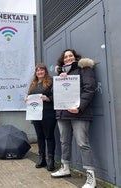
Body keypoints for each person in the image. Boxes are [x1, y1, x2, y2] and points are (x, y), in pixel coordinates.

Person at [51, 49, 96, 188]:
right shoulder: (60, 73)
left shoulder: (84, 69)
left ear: (75, 57)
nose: (68, 58)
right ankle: (65, 168)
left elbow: (89, 89)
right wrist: (60, 79)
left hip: (79, 113)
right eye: (66, 57)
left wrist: (79, 107)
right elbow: (55, 94)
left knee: (82, 143)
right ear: (62, 60)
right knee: (64, 141)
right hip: (63, 113)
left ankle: (91, 177)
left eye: (70, 55)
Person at [26, 64, 56, 171]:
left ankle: (51, 160)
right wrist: (27, 99)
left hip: (48, 113)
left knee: (49, 136)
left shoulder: (51, 82)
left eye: (41, 70)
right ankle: (42, 158)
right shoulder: (33, 84)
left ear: (45, 71)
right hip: (35, 114)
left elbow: (57, 95)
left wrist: (48, 98)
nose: (39, 72)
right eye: (37, 70)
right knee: (40, 137)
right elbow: (30, 96)